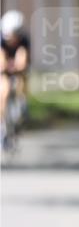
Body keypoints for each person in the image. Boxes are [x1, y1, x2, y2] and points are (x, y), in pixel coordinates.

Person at [1, 10, 30, 145]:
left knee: (21, 79)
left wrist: (19, 66)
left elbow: (23, 59)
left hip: (17, 66)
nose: (11, 39)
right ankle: (2, 126)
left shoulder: (24, 39)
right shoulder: (1, 40)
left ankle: (22, 102)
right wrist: (5, 67)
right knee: (4, 91)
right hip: (4, 64)